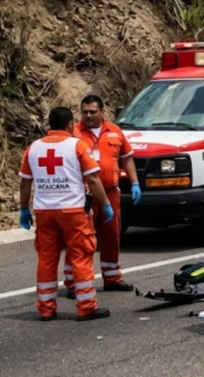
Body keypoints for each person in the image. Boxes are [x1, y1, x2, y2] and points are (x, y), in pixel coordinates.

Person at [19, 107, 112, 321]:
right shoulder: (77, 145)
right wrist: (105, 204)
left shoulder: (33, 148)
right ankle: (86, 306)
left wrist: (24, 208)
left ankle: (46, 308)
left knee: (46, 259)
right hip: (73, 212)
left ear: (49, 125)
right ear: (70, 124)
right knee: (80, 257)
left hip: (44, 212)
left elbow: (25, 182)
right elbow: (92, 179)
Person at [64, 95, 140, 298]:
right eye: (85, 112)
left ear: (102, 112)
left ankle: (112, 278)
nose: (88, 116)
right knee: (81, 240)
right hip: (83, 195)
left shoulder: (114, 131)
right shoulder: (74, 133)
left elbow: (127, 159)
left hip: (110, 193)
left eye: (92, 112)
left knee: (111, 236)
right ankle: (74, 282)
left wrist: (135, 183)